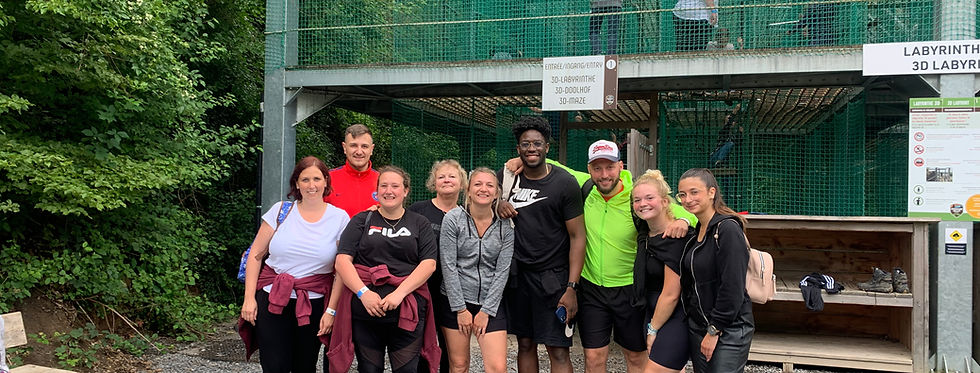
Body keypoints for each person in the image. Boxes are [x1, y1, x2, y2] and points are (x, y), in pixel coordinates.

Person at [506, 140, 694, 373]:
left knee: (635, 357)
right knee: (593, 358)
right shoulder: (585, 188)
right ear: (589, 169)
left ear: (620, 166)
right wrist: (520, 160)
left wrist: (684, 221)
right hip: (592, 289)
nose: (604, 174)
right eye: (597, 168)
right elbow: (555, 166)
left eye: (610, 167)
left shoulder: (637, 197)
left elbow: (683, 211)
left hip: (629, 289)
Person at [239, 156, 350, 373]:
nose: (311, 185)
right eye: (305, 179)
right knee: (274, 365)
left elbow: (341, 270)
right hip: (272, 299)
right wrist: (249, 298)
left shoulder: (339, 218)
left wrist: (331, 311)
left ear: (326, 181)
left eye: (317, 179)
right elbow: (255, 256)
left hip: (314, 303)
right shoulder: (280, 211)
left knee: (304, 365)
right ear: (297, 183)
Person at [329, 166, 440, 373]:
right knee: (369, 370)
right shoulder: (362, 220)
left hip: (407, 309)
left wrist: (399, 293)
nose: (389, 191)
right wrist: (364, 293)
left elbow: (428, 264)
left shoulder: (419, 223)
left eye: (395, 186)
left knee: (407, 371)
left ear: (405, 191)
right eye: (384, 186)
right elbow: (343, 261)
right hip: (366, 311)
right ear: (377, 191)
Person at [496, 116, 586, 373]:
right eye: (525, 144)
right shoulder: (507, 177)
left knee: (557, 350)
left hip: (553, 279)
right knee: (525, 344)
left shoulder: (564, 183)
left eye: (537, 143)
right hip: (517, 277)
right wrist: (497, 204)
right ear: (518, 149)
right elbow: (476, 196)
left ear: (548, 147)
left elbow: (578, 236)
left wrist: (571, 287)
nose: (531, 149)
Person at [676, 168, 753, 373]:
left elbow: (733, 285)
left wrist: (714, 329)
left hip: (728, 329)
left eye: (694, 192)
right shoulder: (696, 233)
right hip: (699, 326)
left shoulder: (727, 229)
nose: (687, 199)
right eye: (682, 194)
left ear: (711, 192)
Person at [439, 167, 514, 373]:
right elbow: (448, 265)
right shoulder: (453, 219)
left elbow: (502, 271)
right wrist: (461, 309)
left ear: (497, 193)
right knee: (459, 364)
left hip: (490, 302)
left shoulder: (505, 226)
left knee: (498, 367)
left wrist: (487, 311)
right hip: (456, 302)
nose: (484, 189)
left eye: (490, 185)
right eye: (478, 184)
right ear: (468, 190)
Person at [632, 170, 693, 373]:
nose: (643, 204)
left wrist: (653, 329)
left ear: (666, 202)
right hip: (652, 311)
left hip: (675, 316)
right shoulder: (645, 232)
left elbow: (671, 294)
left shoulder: (674, 237)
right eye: (637, 200)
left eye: (650, 198)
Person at [409, 160, 467, 373]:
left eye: (452, 176)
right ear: (433, 183)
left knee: (447, 346)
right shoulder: (418, 210)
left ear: (462, 183)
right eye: (441, 176)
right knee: (419, 341)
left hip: (452, 290)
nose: (446, 180)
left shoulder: (468, 214)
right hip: (421, 287)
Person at [325, 124, 380, 217]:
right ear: (344, 148)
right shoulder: (326, 179)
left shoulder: (383, 181)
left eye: (364, 146)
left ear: (372, 149)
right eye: (353, 145)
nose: (359, 152)